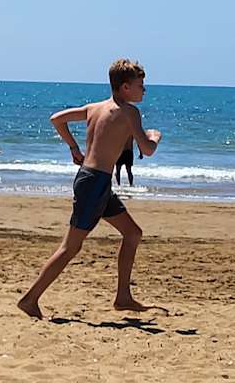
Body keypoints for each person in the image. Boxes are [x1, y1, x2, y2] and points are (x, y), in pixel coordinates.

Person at [17, 58, 161, 319]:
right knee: (70, 247)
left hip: (94, 181)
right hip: (94, 184)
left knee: (133, 233)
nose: (144, 90)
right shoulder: (129, 112)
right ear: (125, 87)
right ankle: (30, 299)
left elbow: (57, 119)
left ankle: (123, 297)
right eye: (141, 85)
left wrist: (74, 148)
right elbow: (148, 150)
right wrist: (154, 136)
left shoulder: (95, 108)